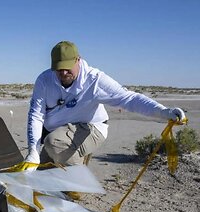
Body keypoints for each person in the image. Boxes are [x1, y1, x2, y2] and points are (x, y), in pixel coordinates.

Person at [25, 41, 187, 169]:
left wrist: (164, 112)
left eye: (68, 68)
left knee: (54, 144)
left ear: (78, 60)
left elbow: (129, 99)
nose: (63, 73)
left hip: (91, 128)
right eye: (59, 69)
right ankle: (71, 160)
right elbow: (36, 115)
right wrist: (33, 150)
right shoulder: (44, 80)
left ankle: (78, 182)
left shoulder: (95, 80)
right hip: (59, 131)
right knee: (42, 168)